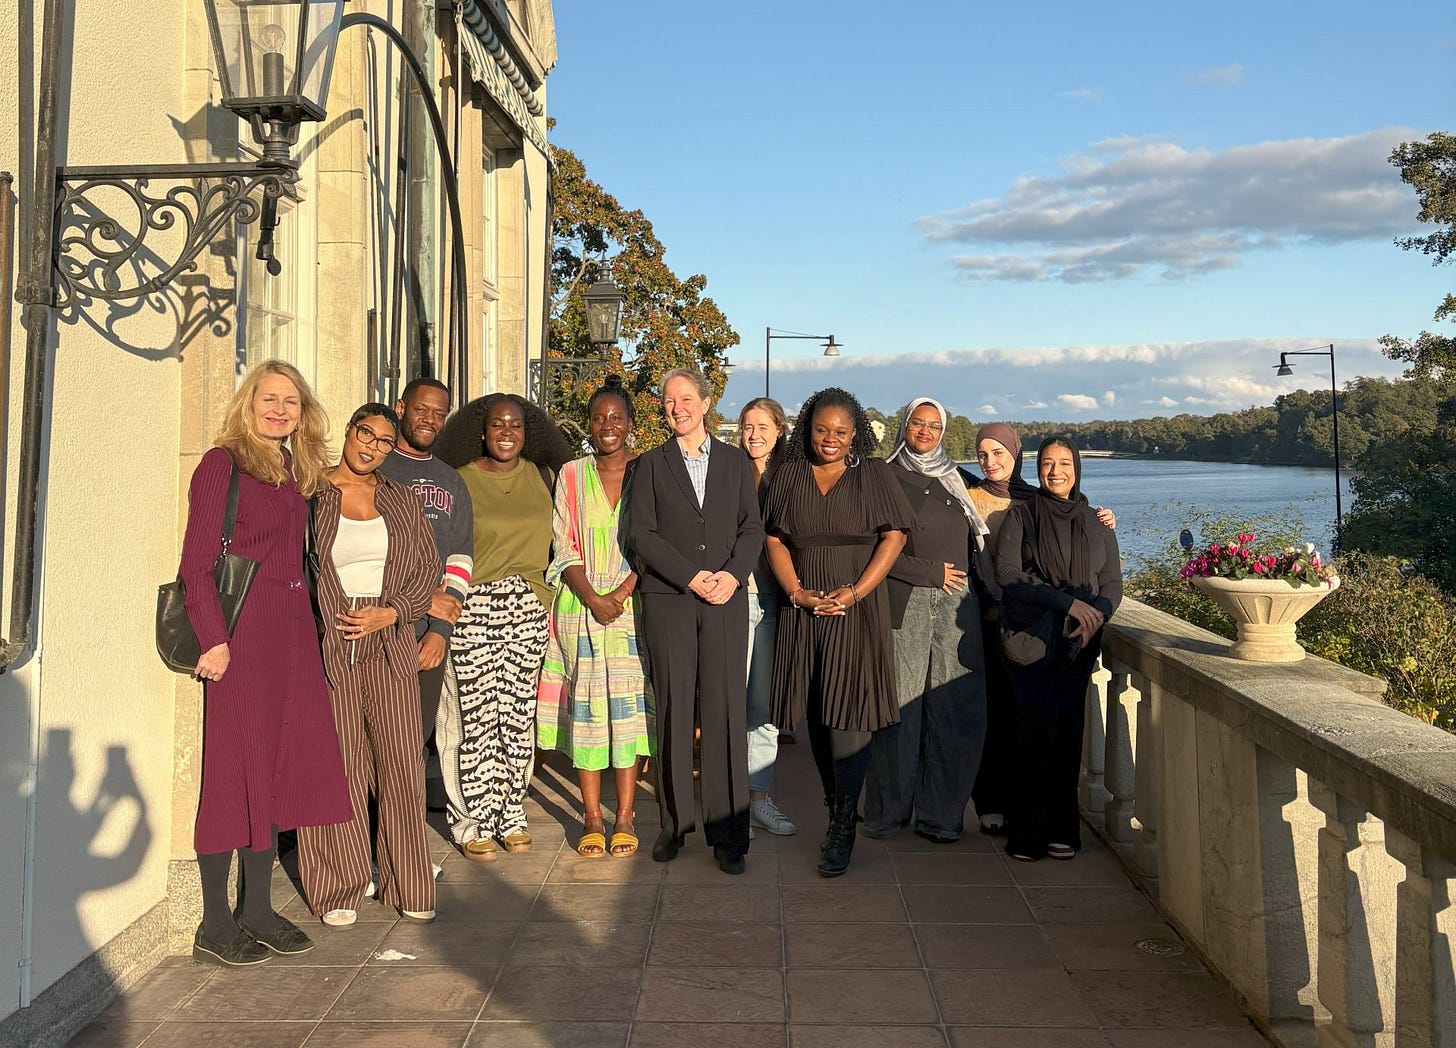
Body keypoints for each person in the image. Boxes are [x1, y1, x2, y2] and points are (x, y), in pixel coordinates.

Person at [179, 359, 351, 966]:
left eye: (291, 402)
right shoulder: (221, 464)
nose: (279, 410)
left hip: (292, 634)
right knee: (231, 771)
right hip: (241, 636)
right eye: (268, 399)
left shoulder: (291, 470)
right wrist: (213, 639)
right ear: (247, 403)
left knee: (278, 767)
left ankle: (256, 907)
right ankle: (213, 920)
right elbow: (196, 565)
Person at [297, 404, 442, 926]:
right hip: (329, 648)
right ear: (349, 431)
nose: (373, 447)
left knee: (402, 765)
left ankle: (408, 882)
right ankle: (339, 886)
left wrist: (393, 613)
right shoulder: (312, 496)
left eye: (384, 442)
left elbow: (429, 570)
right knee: (339, 768)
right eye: (366, 435)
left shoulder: (401, 500)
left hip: (391, 644)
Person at [762, 387, 912, 877]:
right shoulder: (787, 476)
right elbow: (775, 538)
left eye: (841, 432)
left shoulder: (874, 475)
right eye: (822, 429)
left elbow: (894, 536)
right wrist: (797, 592)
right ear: (808, 428)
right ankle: (838, 806)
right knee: (819, 717)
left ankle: (843, 824)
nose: (830, 439)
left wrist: (855, 592)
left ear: (856, 435)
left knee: (849, 717)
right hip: (803, 610)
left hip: (855, 610)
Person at [628, 368, 763, 875]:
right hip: (670, 600)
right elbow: (642, 534)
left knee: (726, 713)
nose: (677, 407)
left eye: (687, 398)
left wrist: (731, 576)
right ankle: (675, 824)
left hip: (726, 601)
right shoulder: (650, 465)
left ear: (707, 404)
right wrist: (691, 576)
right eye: (668, 400)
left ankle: (730, 834)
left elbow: (752, 528)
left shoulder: (734, 462)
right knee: (675, 710)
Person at [433, 394, 572, 860]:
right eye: (497, 425)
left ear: (527, 431)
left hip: (527, 607)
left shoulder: (543, 475)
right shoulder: (459, 479)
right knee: (470, 717)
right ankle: (469, 820)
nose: (507, 433)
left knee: (515, 717)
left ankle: (510, 809)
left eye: (515, 425)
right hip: (473, 605)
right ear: (482, 431)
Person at [968, 424, 1112, 837]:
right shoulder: (967, 497)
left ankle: (1029, 811)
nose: (991, 462)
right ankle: (993, 802)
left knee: (1030, 722)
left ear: (1016, 455)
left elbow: (1077, 524)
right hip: (988, 618)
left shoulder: (1034, 497)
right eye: (983, 454)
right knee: (995, 715)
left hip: (1037, 624)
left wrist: (1103, 518)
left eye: (1000, 453)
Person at [537, 375, 654, 858]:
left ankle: (624, 815)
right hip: (580, 608)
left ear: (630, 426)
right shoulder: (569, 474)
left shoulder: (649, 472)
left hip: (632, 609)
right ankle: (590, 816)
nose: (608, 425)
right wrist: (592, 596)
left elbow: (657, 541)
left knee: (628, 715)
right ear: (589, 425)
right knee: (586, 712)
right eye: (599, 417)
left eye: (617, 418)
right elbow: (561, 543)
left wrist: (622, 591)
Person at [865, 398, 989, 844]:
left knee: (955, 709)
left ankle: (941, 814)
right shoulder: (885, 474)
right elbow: (874, 542)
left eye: (934, 425)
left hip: (958, 605)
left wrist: (1092, 510)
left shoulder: (955, 477)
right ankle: (887, 810)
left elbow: (1011, 493)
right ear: (905, 425)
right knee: (901, 707)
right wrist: (928, 572)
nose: (926, 431)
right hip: (908, 599)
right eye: (918, 423)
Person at [377, 377, 474, 760]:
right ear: (400, 408)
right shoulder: (375, 468)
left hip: (425, 638)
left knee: (410, 746)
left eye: (439, 413)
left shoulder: (451, 481)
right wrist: (420, 599)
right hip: (376, 628)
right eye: (421, 409)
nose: (430, 419)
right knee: (367, 744)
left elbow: (460, 559)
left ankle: (401, 821)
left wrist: (441, 632)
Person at [737, 397, 796, 837]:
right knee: (727, 701)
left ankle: (759, 796)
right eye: (746, 426)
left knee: (763, 704)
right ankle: (730, 799)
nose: (753, 434)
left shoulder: (792, 478)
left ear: (779, 430)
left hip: (775, 600)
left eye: (762, 426)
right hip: (733, 598)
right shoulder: (727, 471)